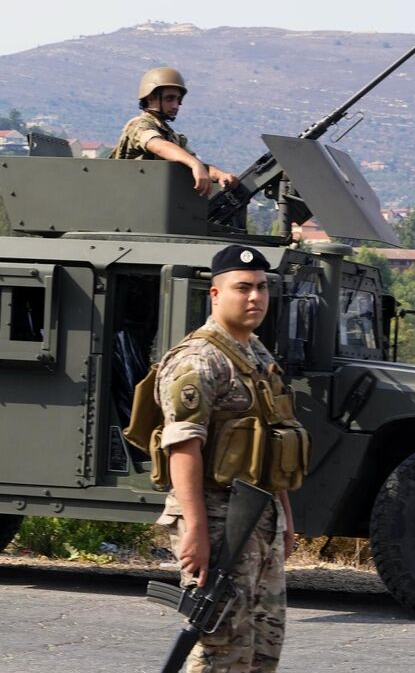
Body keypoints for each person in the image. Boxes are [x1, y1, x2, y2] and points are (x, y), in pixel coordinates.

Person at [151, 246, 305, 672]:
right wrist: (196, 529)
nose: (255, 297)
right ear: (215, 294)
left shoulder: (257, 355)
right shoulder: (199, 359)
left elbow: (274, 441)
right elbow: (183, 445)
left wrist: (285, 514)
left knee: (261, 648)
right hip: (217, 519)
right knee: (223, 646)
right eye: (243, 288)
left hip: (261, 514)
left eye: (261, 288)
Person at [109, 66, 238, 195]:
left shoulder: (172, 137)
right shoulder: (139, 125)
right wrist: (194, 164)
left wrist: (220, 175)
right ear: (150, 98)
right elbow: (157, 145)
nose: (175, 105)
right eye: (169, 99)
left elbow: (199, 165)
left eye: (178, 99)